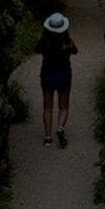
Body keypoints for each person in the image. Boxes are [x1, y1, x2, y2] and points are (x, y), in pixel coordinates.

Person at [35, 11, 77, 146]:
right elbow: (75, 51)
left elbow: (37, 49)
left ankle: (47, 137)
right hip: (64, 75)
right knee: (63, 107)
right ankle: (60, 128)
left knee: (48, 107)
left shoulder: (45, 42)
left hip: (47, 74)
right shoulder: (67, 42)